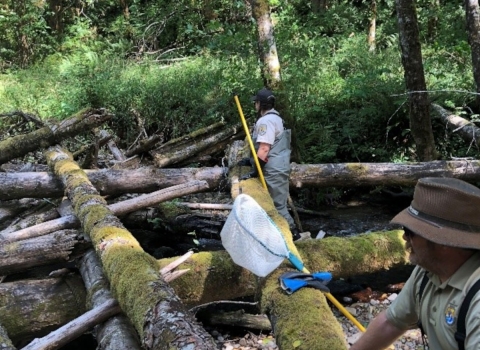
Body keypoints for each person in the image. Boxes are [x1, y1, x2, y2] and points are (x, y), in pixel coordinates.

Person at [350, 177, 480, 350]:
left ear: (443, 242)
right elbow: (391, 323)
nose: (404, 237)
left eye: (409, 231)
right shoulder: (427, 272)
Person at [238, 87, 299, 239]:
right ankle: (275, 237)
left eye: (256, 102)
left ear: (260, 104)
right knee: (273, 205)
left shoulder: (266, 121)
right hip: (277, 167)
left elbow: (264, 148)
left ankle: (295, 237)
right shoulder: (277, 118)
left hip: (273, 171)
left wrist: (255, 169)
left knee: (277, 207)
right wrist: (251, 160)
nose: (255, 105)